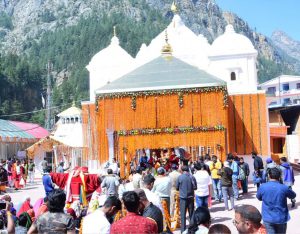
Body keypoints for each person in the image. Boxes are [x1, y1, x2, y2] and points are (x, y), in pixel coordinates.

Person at [256, 167, 296, 234]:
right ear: (280, 176)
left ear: (268, 175)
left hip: (268, 218)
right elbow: (293, 195)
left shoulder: (263, 186)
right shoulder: (284, 187)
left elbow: (259, 197)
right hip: (281, 218)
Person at [176, 165, 197, 233]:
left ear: (182, 170)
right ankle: (192, 229)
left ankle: (183, 230)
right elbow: (195, 187)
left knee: (183, 215)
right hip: (190, 197)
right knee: (191, 214)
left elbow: (177, 187)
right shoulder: (192, 177)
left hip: (183, 198)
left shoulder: (180, 177)